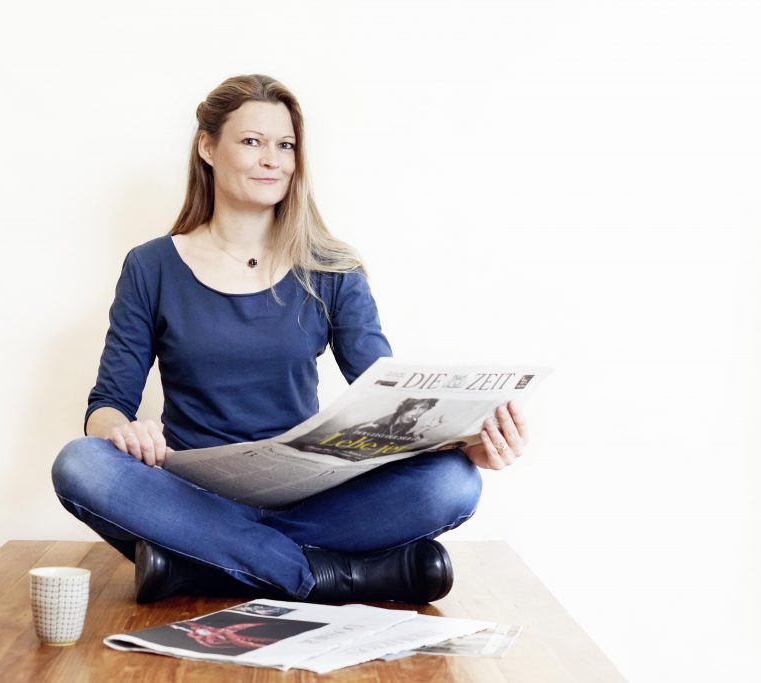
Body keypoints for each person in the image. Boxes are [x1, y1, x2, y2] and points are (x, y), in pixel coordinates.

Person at [51, 74, 529, 605]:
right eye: (252, 142)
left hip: (313, 501)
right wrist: (122, 433)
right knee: (81, 463)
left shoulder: (333, 269)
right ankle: (326, 576)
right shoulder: (151, 266)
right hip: (192, 499)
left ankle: (197, 568)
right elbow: (107, 406)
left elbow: (387, 397)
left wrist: (467, 442)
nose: (272, 159)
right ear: (208, 147)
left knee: (454, 482)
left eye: (285, 145)